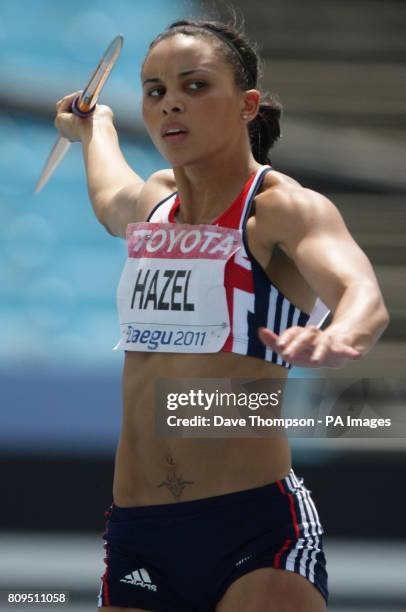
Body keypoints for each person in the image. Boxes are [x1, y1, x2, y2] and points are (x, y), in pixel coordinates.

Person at [55, 18, 389, 612]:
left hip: (255, 532)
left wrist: (340, 335)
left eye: (195, 86)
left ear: (247, 105)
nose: (170, 104)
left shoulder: (280, 210)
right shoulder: (151, 207)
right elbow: (109, 197)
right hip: (139, 535)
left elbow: (360, 293)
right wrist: (95, 125)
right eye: (155, 91)